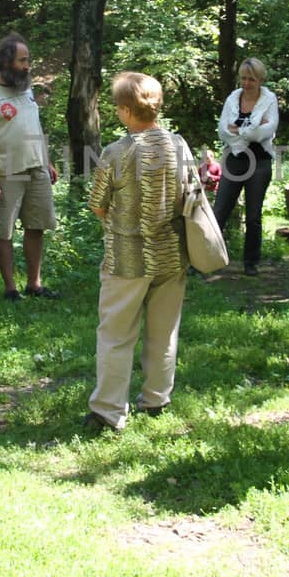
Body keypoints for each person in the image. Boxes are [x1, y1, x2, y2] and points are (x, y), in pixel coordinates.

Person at [86, 72, 195, 430]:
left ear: (124, 110)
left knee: (116, 334)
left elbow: (98, 204)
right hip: (171, 255)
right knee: (164, 331)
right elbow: (189, 196)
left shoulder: (116, 152)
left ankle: (107, 410)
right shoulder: (179, 146)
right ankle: (156, 400)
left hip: (126, 257)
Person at [0, 33, 60, 301]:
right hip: (5, 171)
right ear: (6, 61)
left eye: (28, 60)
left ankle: (34, 284)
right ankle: (10, 289)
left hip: (36, 168)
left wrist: (47, 160)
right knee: (5, 231)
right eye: (22, 60)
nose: (27, 65)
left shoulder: (25, 87)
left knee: (37, 226)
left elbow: (34, 127)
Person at [212, 57, 278, 275]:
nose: (247, 83)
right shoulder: (233, 98)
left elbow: (268, 131)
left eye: (251, 79)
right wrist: (251, 131)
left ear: (260, 79)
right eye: (243, 78)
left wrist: (239, 130)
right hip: (234, 158)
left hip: (260, 161)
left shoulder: (269, 99)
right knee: (220, 210)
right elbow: (222, 130)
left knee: (253, 215)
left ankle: (251, 263)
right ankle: (207, 259)